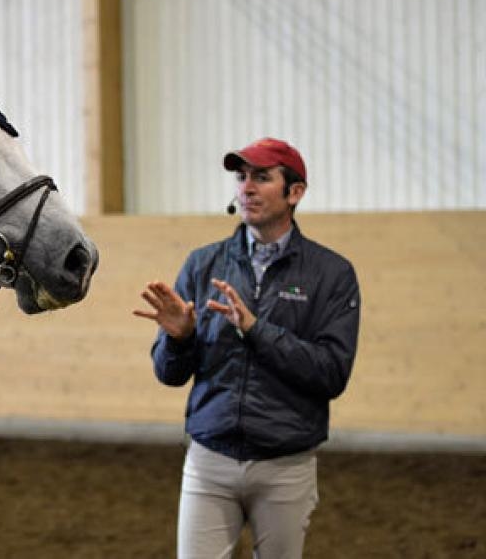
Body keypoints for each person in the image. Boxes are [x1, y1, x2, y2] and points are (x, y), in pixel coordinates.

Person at [134, 138, 360, 558]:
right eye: (241, 177)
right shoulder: (202, 264)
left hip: (286, 465)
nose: (246, 188)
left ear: (295, 192)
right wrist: (178, 339)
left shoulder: (332, 274)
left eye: (262, 177)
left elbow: (331, 373)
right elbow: (169, 375)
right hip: (209, 460)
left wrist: (256, 329)